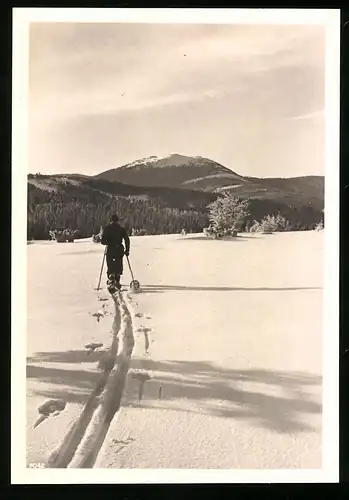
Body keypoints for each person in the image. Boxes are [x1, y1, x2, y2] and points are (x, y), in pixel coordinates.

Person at [101, 214, 130, 289]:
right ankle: (117, 278)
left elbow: (103, 241)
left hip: (110, 249)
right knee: (118, 264)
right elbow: (127, 239)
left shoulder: (107, 228)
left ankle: (111, 277)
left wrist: (107, 242)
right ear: (117, 221)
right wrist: (127, 250)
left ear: (111, 220)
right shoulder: (121, 229)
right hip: (119, 249)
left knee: (110, 264)